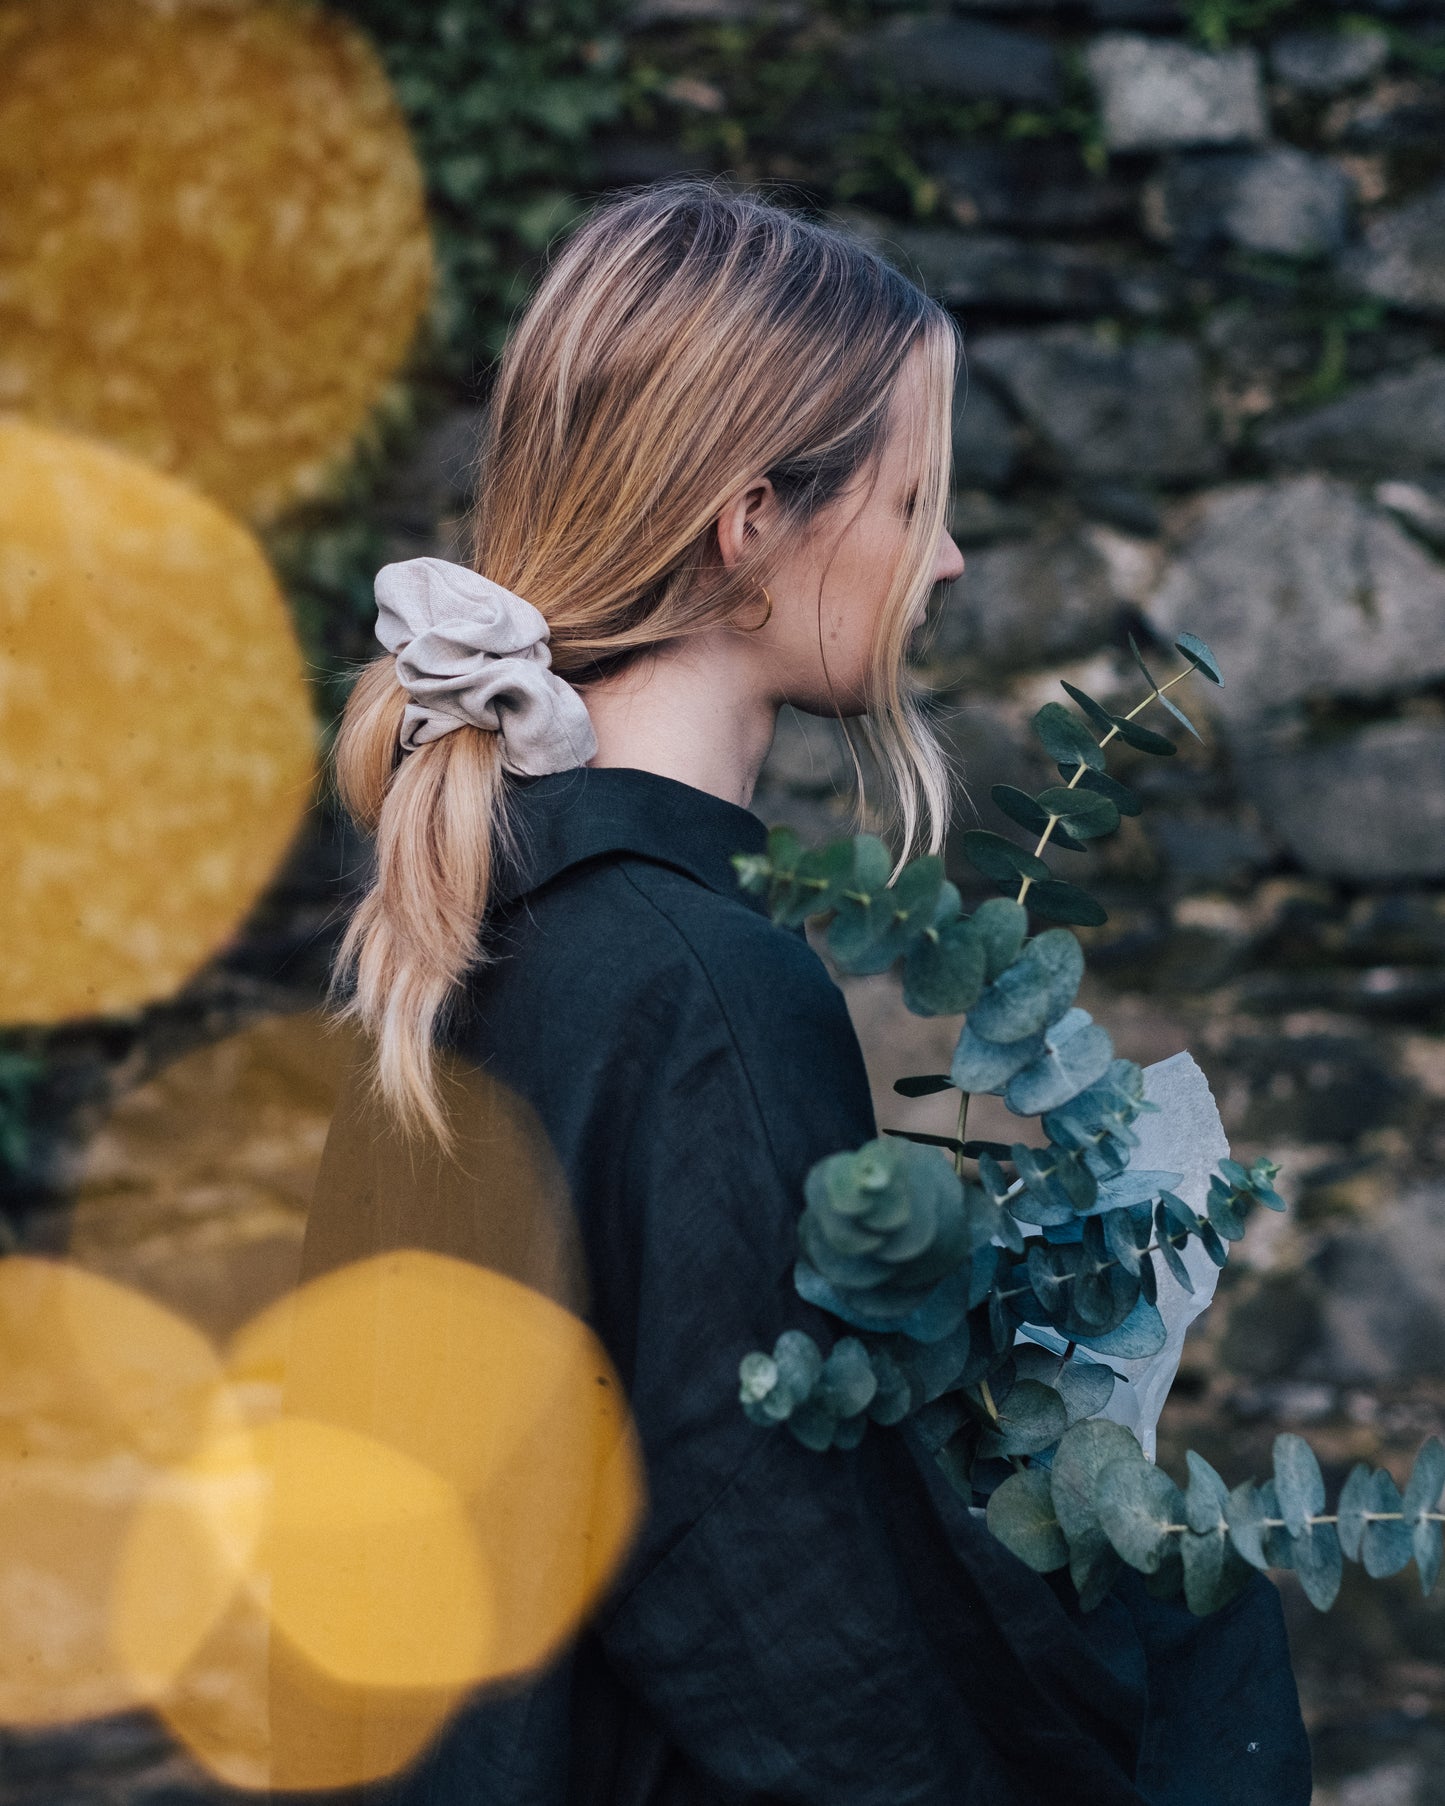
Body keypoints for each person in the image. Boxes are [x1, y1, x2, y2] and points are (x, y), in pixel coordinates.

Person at [319, 181, 1311, 1805]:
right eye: (915, 496)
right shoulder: (694, 978)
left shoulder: (480, 917)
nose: (949, 557)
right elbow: (782, 1615)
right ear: (753, 518)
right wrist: (1167, 1607)